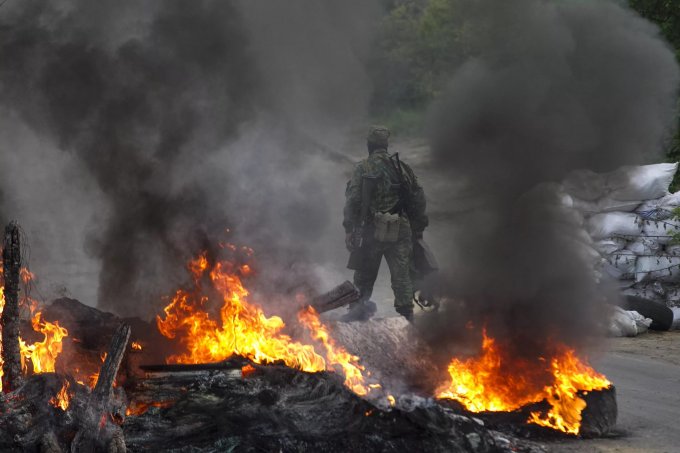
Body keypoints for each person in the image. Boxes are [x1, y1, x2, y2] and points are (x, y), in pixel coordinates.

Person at [342, 125, 428, 322]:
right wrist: (418, 227)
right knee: (402, 274)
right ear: (386, 146)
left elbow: (353, 200)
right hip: (400, 227)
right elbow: (418, 198)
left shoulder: (363, 168)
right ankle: (407, 315)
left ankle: (357, 311)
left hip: (372, 229)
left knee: (364, 273)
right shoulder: (402, 168)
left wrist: (349, 228)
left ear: (369, 145)